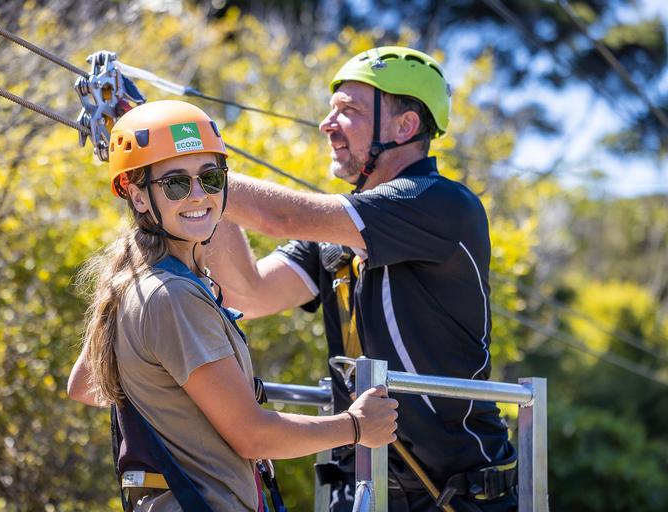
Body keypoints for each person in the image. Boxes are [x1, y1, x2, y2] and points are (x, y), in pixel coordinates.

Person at [205, 47, 518, 511]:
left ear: (404, 127)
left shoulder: (441, 203)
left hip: (461, 493)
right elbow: (244, 294)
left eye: (347, 111)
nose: (327, 124)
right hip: (364, 491)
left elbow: (281, 216)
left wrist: (192, 167)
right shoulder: (331, 238)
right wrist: (202, 179)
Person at [67, 100, 398, 512]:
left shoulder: (133, 283)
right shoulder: (172, 295)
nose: (197, 195)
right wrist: (356, 426)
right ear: (138, 197)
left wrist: (178, 402)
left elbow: (84, 384)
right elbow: (253, 436)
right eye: (175, 184)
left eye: (210, 177)